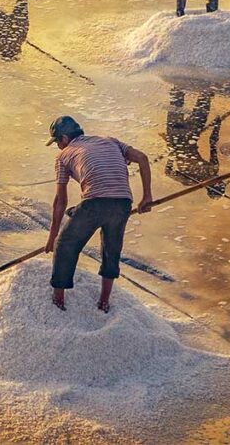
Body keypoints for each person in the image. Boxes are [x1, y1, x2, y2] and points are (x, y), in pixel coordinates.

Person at [44, 116, 153, 312]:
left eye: (57, 142)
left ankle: (58, 299)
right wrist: (147, 196)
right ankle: (104, 302)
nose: (58, 147)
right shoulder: (110, 141)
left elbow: (60, 201)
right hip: (122, 203)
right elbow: (142, 158)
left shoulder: (64, 155)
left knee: (65, 245)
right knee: (111, 251)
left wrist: (53, 237)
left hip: (95, 202)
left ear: (65, 138)